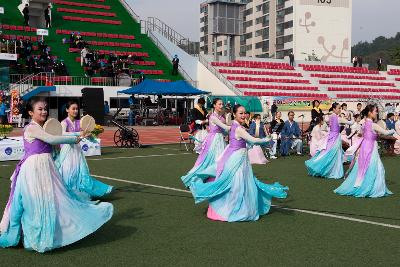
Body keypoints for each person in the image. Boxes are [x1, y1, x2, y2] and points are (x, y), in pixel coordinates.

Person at [0, 97, 113, 253]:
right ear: (31, 112)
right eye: (40, 109)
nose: (44, 111)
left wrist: (79, 135)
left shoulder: (43, 127)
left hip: (45, 167)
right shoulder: (31, 127)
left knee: (52, 199)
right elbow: (52, 139)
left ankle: (49, 230)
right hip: (34, 169)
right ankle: (31, 235)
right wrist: (75, 138)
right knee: (34, 202)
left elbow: (53, 143)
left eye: (45, 108)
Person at [189, 105, 288, 222]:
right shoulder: (238, 128)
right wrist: (267, 139)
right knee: (239, 183)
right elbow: (253, 140)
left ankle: (237, 206)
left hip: (238, 157)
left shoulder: (234, 127)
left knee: (239, 182)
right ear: (234, 114)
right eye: (240, 113)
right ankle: (236, 209)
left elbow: (242, 141)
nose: (243, 115)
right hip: (238, 159)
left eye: (244, 113)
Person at [56, 100, 113, 199]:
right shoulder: (64, 122)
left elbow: (86, 136)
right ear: (67, 110)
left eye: (77, 109)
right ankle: (66, 194)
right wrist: (79, 133)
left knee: (81, 173)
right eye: (73, 109)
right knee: (67, 172)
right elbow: (63, 134)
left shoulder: (80, 122)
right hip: (67, 151)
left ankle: (80, 192)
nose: (75, 111)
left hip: (77, 151)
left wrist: (90, 135)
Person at [334, 104, 395, 198]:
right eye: (375, 111)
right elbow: (386, 133)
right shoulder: (373, 124)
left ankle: (365, 185)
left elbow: (363, 134)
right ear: (370, 113)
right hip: (371, 147)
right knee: (375, 167)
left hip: (365, 146)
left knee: (363, 167)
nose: (377, 113)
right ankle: (372, 187)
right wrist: (393, 130)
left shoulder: (364, 123)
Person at [181, 98, 230, 187]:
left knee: (221, 159)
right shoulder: (213, 117)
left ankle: (218, 177)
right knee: (210, 159)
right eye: (219, 104)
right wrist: (237, 127)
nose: (221, 106)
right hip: (213, 139)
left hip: (220, 139)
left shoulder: (222, 117)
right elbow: (226, 127)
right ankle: (198, 178)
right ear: (214, 105)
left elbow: (224, 131)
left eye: (222, 104)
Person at [305, 102, 354, 179]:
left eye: (340, 108)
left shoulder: (331, 117)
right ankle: (333, 170)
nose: (340, 110)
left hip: (330, 136)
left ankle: (328, 169)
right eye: (338, 108)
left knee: (328, 152)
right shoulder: (338, 118)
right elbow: (351, 122)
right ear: (334, 109)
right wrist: (351, 115)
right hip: (335, 137)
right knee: (335, 154)